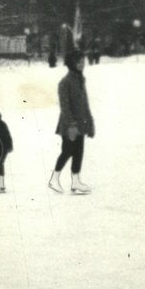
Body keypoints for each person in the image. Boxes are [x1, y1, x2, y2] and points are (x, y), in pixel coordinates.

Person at [49, 50, 95, 195]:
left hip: (81, 123)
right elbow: (65, 106)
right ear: (72, 63)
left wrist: (90, 123)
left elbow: (85, 103)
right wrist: (71, 125)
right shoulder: (65, 82)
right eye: (79, 62)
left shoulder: (80, 79)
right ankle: (54, 179)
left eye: (83, 62)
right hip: (69, 125)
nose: (82, 65)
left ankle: (75, 182)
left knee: (79, 152)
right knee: (67, 151)